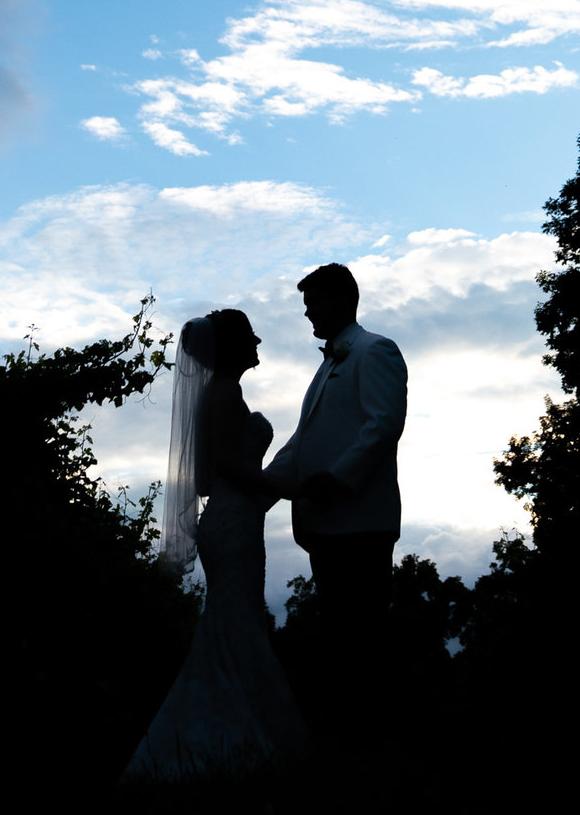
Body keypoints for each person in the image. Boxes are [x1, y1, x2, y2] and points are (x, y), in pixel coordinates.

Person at [124, 309, 310, 782]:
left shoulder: (220, 394)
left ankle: (234, 731)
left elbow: (208, 475)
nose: (258, 341)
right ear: (230, 347)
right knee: (237, 623)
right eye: (250, 336)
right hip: (233, 525)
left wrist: (264, 488)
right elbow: (226, 467)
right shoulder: (225, 393)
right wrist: (286, 486)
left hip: (231, 520)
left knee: (231, 623)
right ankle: (240, 741)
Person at [267, 263, 407, 736]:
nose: (308, 316)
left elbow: (383, 425)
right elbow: (303, 440)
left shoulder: (376, 351)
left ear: (340, 300)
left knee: (362, 642)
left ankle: (369, 746)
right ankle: (345, 739)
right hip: (323, 528)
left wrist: (338, 480)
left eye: (314, 305)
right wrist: (261, 488)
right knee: (337, 642)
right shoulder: (328, 365)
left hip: (360, 525)